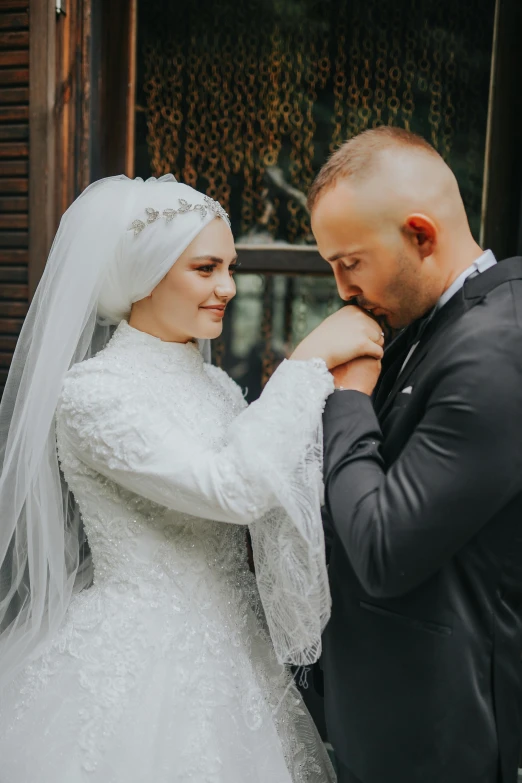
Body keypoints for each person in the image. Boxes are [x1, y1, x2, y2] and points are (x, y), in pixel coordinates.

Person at [0, 174, 383, 782]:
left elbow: (272, 495)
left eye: (229, 267)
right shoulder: (95, 393)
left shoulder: (217, 386)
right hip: (144, 668)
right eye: (205, 269)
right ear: (143, 274)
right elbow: (232, 489)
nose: (228, 287)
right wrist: (307, 363)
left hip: (238, 655)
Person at [293, 126, 522, 783]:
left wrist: (348, 396)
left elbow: (386, 549)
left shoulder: (499, 347)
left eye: (350, 261)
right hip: (378, 714)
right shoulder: (421, 321)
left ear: (421, 235)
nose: (340, 286)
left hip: (438, 739)